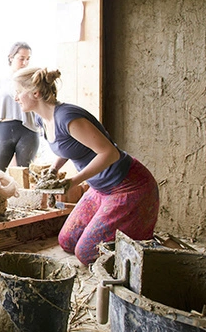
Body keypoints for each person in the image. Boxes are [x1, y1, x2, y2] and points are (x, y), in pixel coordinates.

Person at [13, 67, 159, 265]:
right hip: (101, 189)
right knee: (67, 241)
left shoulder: (67, 117)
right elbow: (66, 147)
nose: (15, 98)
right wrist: (53, 171)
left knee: (87, 253)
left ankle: (149, 246)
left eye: (18, 92)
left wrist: (73, 181)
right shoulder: (42, 118)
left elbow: (109, 153)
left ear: (35, 93)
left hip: (128, 186)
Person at [0, 42, 40, 171]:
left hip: (29, 130)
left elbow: (42, 108)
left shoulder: (33, 81)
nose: (25, 63)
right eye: (21, 58)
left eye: (28, 59)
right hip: (4, 130)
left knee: (25, 174)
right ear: (11, 57)